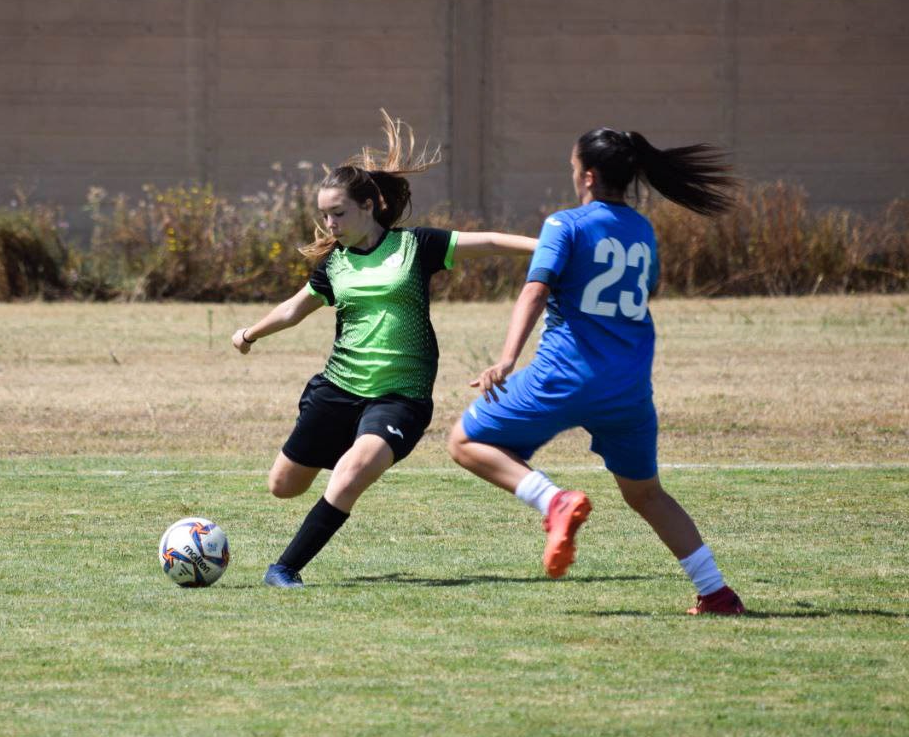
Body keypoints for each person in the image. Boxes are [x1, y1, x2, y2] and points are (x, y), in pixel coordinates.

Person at [446, 127, 746, 615]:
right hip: (628, 386)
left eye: (571, 167)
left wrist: (506, 358)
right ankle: (717, 593)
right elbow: (644, 292)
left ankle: (553, 501)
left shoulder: (565, 224)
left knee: (463, 441)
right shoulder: (643, 229)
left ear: (587, 175)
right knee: (646, 494)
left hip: (564, 374)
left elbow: (536, 291)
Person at [232, 111, 537, 588]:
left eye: (339, 213)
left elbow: (492, 241)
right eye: (325, 215)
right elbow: (294, 310)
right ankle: (351, 451)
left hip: (401, 396)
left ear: (369, 205)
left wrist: (553, 246)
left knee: (352, 473)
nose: (330, 223)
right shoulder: (333, 266)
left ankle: (284, 568)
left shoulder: (416, 247)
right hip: (337, 389)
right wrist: (250, 333)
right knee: (283, 487)